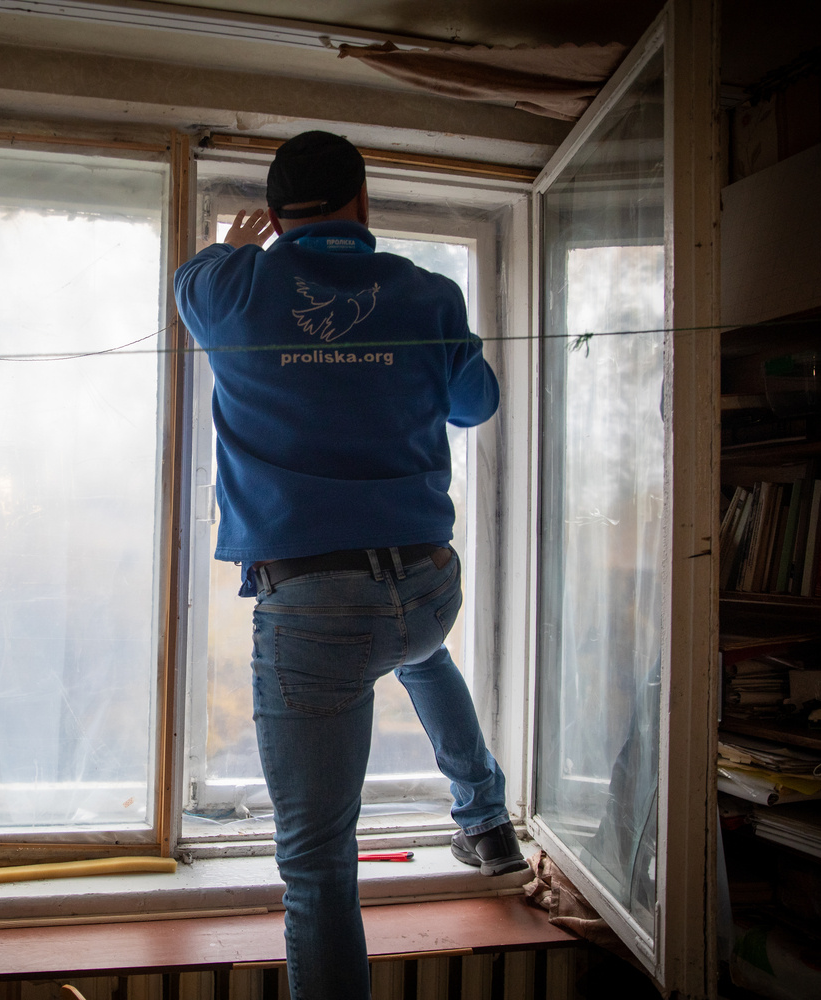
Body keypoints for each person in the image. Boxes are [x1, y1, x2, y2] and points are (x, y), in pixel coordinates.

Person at [173, 130, 523, 1000]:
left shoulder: (232, 287)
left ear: (278, 212)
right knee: (413, 645)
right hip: (424, 587)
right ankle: (485, 819)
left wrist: (236, 246)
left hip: (316, 612)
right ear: (364, 204)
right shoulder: (427, 293)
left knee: (320, 865)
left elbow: (192, 281)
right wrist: (448, 340)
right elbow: (477, 406)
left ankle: (481, 814)